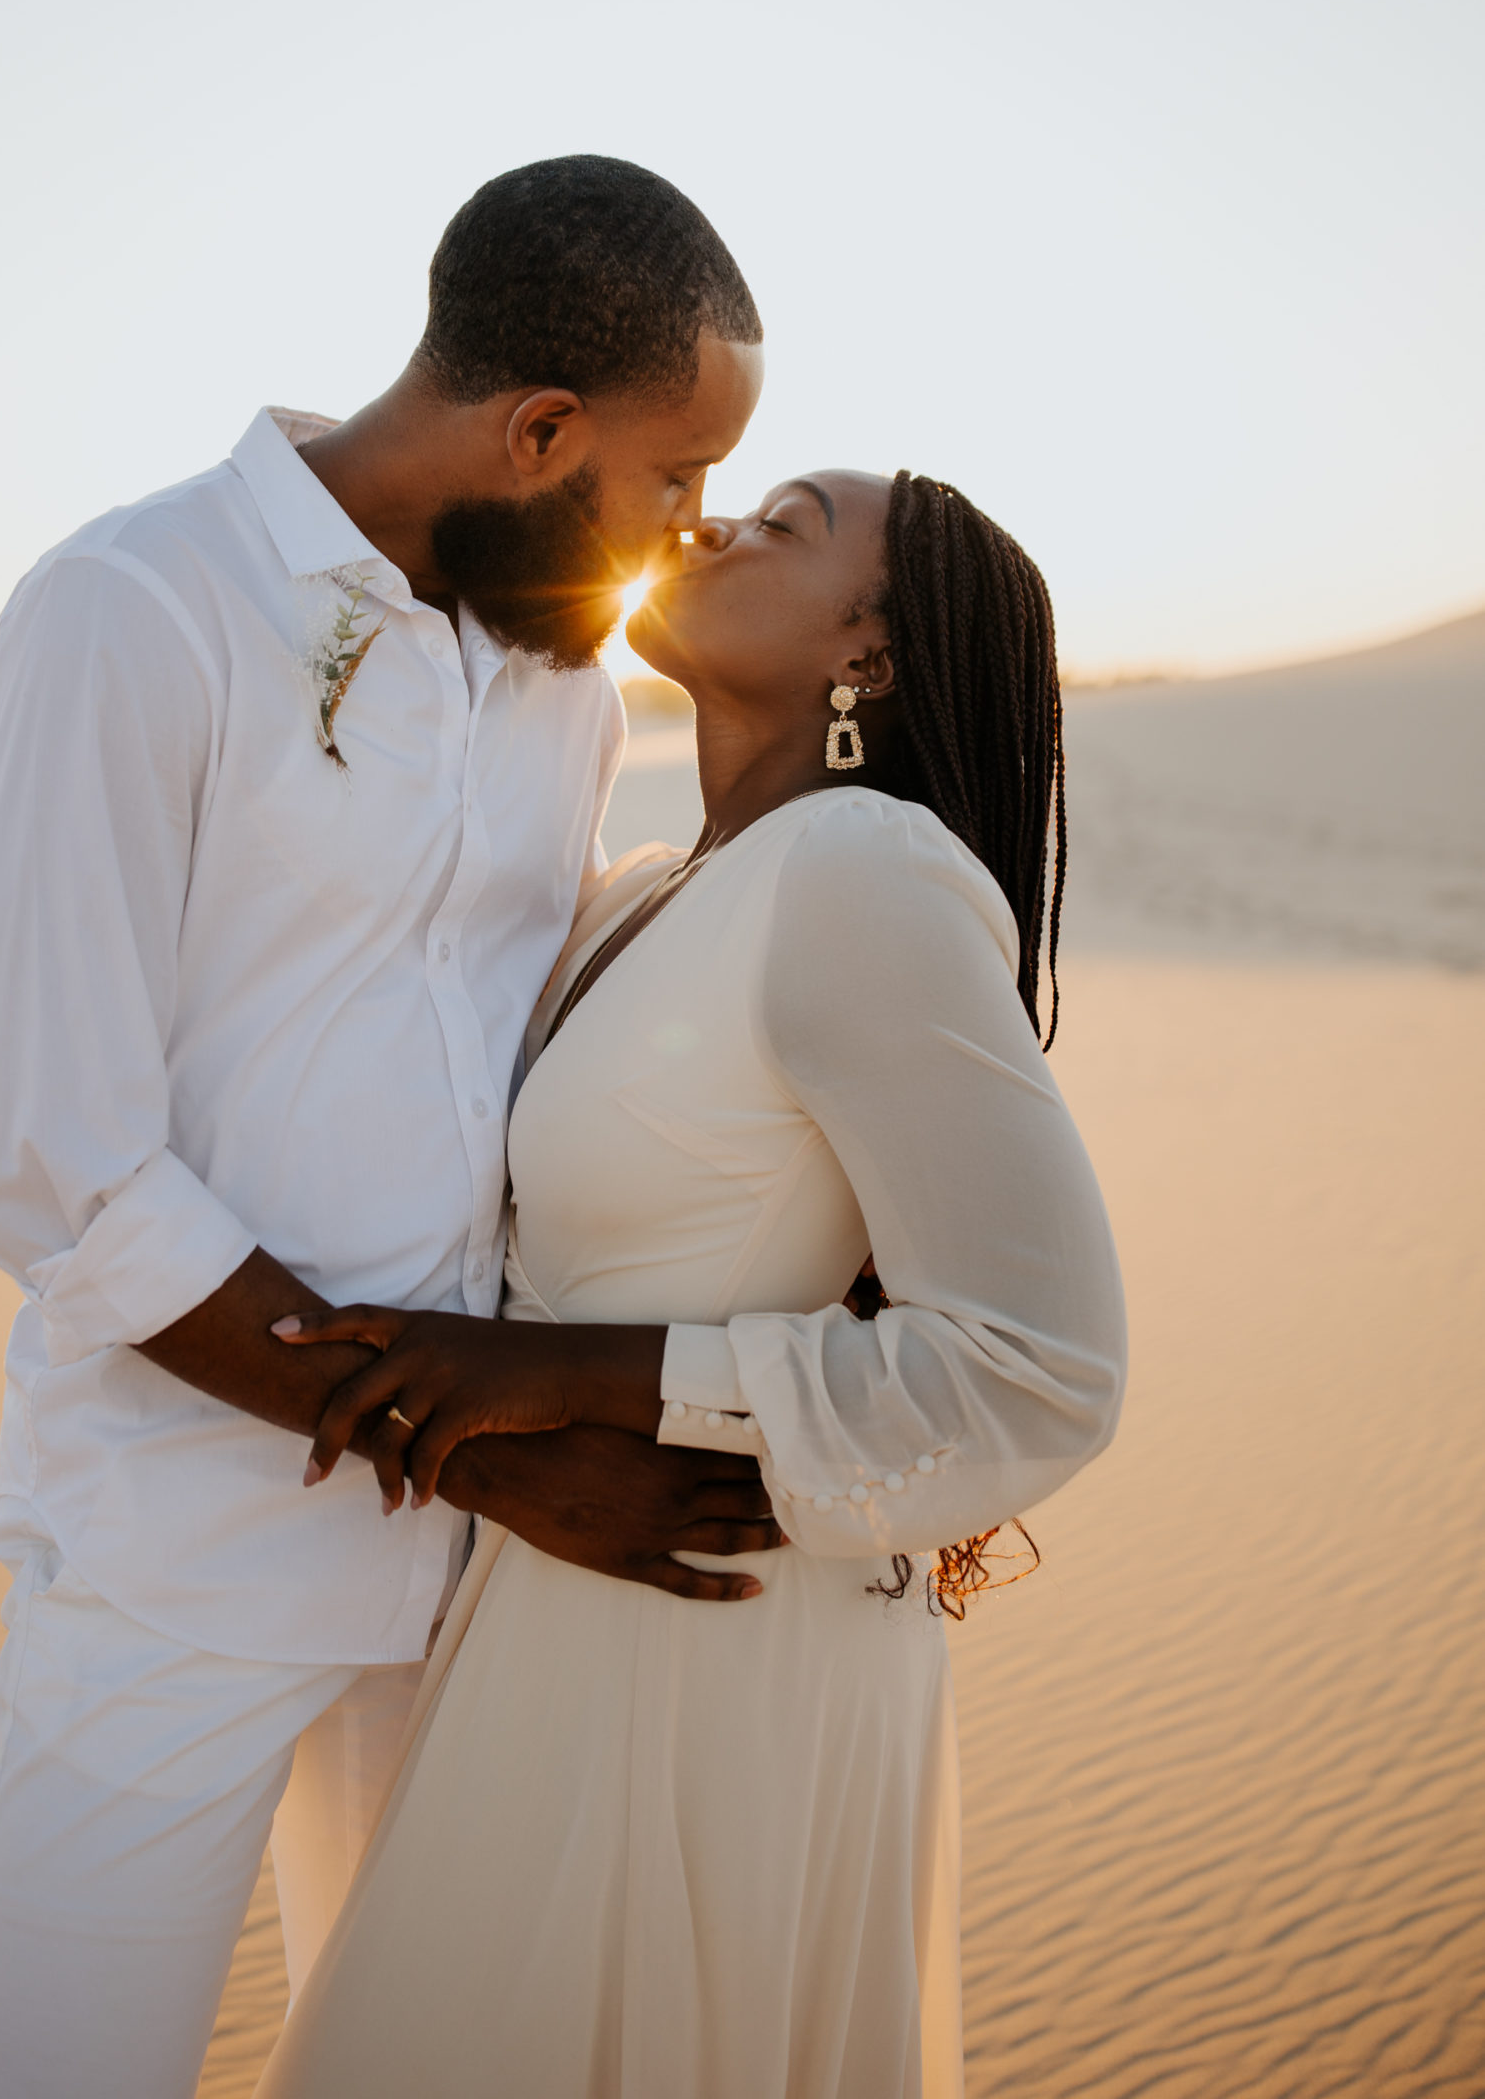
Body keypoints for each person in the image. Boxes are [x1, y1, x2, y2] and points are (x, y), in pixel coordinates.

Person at [0, 156, 771, 2099]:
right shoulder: (125, 611)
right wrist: (474, 1457)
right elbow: (57, 1168)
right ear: (538, 429)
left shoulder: (561, 669)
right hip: (175, 1552)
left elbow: (523, 1070)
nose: (691, 525)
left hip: (468, 1587)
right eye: (672, 476)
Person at [254, 468, 1128, 2099]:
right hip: (575, 1597)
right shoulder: (654, 887)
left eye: (785, 525)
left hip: (713, 1631)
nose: (713, 522)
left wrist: (573, 1380)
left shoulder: (864, 868)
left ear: (863, 654)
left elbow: (1039, 1365)